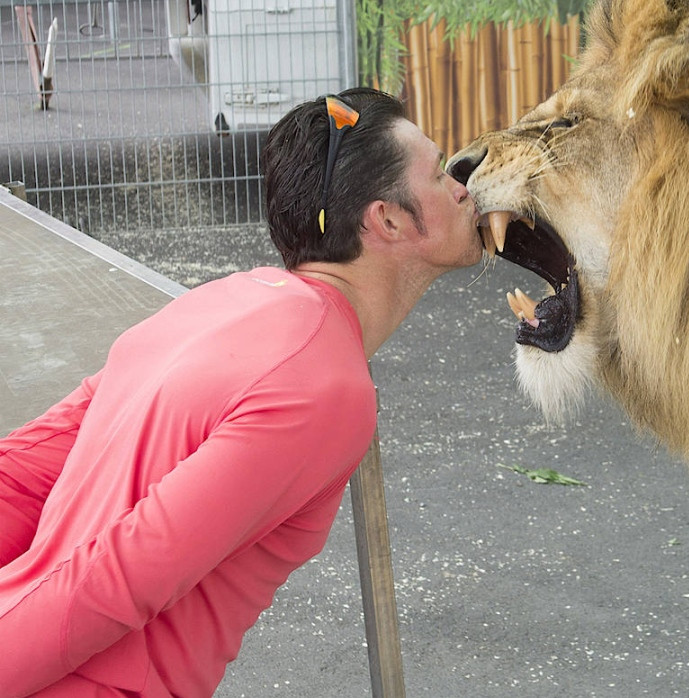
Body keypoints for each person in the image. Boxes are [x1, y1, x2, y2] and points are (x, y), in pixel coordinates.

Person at [0, 87, 481, 697]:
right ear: (385, 218)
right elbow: (116, 577)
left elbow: (23, 472)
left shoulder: (220, 300)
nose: (464, 184)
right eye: (440, 174)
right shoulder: (326, 388)